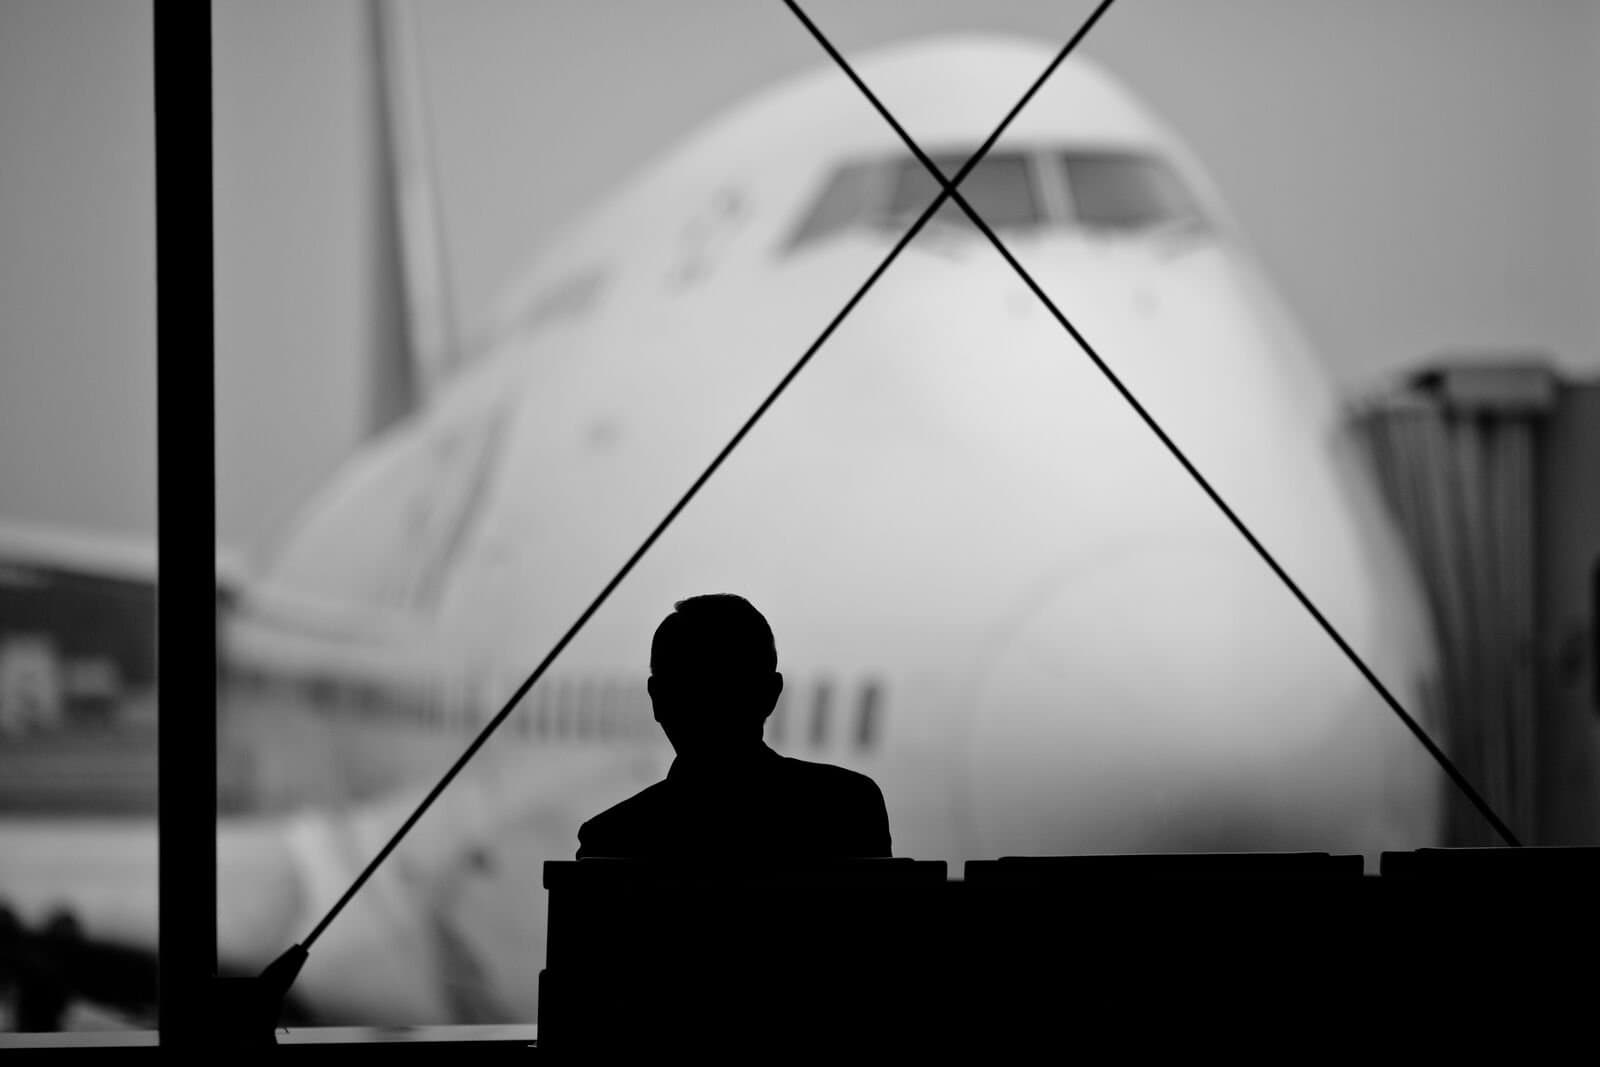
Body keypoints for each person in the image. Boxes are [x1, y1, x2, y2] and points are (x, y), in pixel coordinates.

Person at [576, 594, 891, 859]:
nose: (710, 702)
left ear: (656, 700)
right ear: (771, 694)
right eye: (696, 688)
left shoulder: (613, 839)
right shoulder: (848, 808)